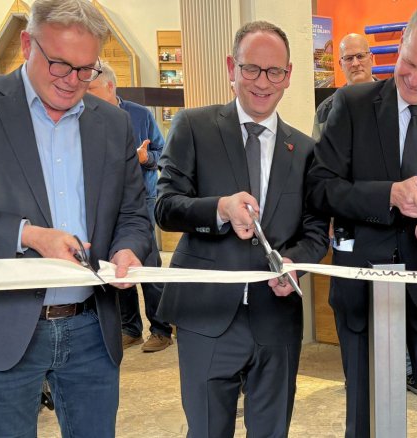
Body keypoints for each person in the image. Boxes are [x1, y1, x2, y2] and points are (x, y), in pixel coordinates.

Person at [0, 0, 151, 435]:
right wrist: (26, 235)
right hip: (0, 326)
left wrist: (127, 249)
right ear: (27, 44)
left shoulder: (112, 122)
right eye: (61, 65)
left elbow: (133, 213)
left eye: (87, 69)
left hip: (91, 329)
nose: (73, 81)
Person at [307, 1, 417, 436]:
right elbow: (319, 187)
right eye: (408, 62)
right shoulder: (350, 105)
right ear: (401, 42)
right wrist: (386, 195)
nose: (413, 78)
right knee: (366, 418)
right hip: (363, 291)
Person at [155, 21, 328, 437]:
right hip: (206, 315)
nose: (262, 82)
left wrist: (296, 265)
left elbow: (316, 231)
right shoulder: (194, 127)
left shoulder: (305, 150)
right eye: (251, 69)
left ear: (288, 76)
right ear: (232, 67)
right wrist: (219, 209)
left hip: (277, 318)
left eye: (274, 72)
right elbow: (164, 207)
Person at [87, 60, 172, 352]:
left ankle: (161, 329)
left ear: (110, 86)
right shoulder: (83, 116)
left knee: (147, 265)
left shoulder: (139, 115)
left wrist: (144, 159)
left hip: (140, 201)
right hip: (102, 204)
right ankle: (130, 328)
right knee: (116, 266)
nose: (84, 94)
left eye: (92, 88)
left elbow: (163, 154)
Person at [312, 33, 375, 140]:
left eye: (360, 56)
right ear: (341, 64)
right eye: (349, 58)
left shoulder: (393, 99)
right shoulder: (325, 112)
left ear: (371, 58)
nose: (355, 63)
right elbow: (318, 154)